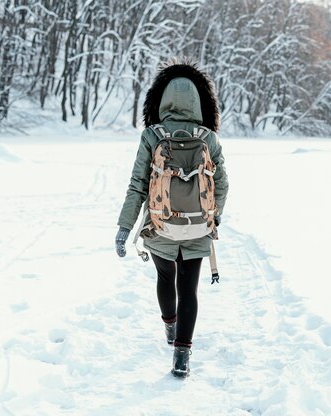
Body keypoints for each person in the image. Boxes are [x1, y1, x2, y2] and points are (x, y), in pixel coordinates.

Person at [114, 57, 229, 378]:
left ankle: (170, 327)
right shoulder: (209, 138)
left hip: (160, 225)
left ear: (160, 99)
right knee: (188, 288)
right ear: (200, 101)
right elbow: (222, 183)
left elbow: (138, 184)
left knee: (166, 279)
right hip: (197, 227)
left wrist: (125, 227)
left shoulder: (152, 135)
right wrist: (213, 217)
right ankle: (182, 355)